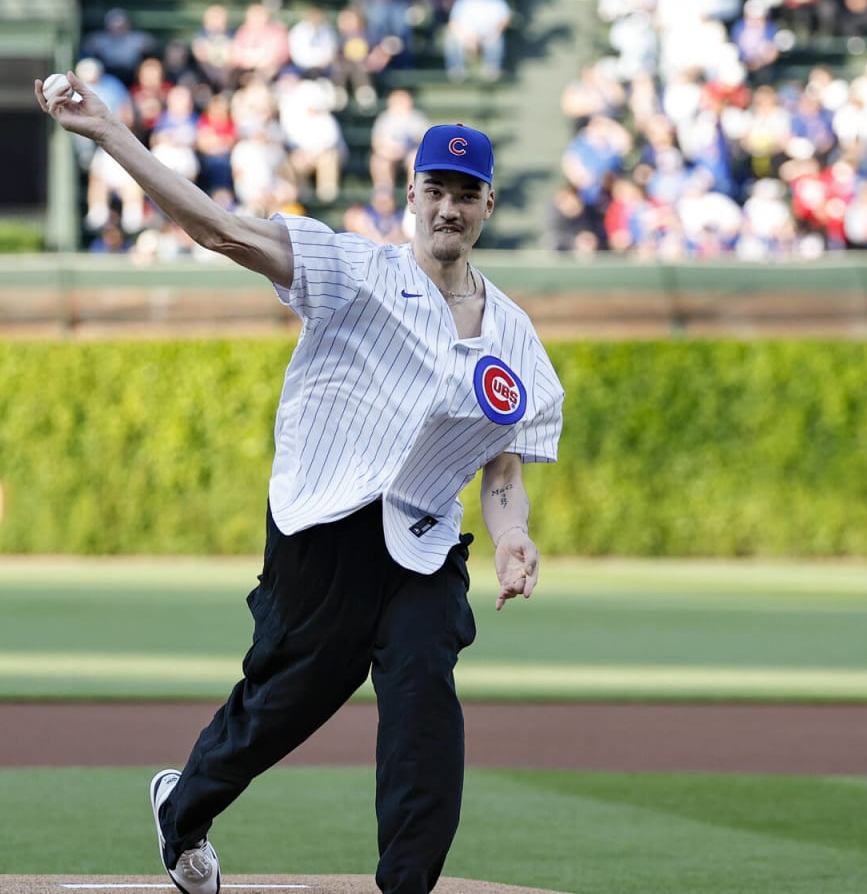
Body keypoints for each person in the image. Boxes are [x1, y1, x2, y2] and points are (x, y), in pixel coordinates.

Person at [37, 71, 565, 894]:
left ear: (489, 204)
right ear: (411, 195)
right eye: (436, 189)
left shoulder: (517, 339)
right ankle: (183, 810)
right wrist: (110, 135)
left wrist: (515, 535)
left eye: (468, 193)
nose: (449, 208)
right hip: (322, 531)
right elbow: (218, 230)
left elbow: (501, 465)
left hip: (423, 546)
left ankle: (408, 887)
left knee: (424, 689)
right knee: (283, 703)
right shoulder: (352, 269)